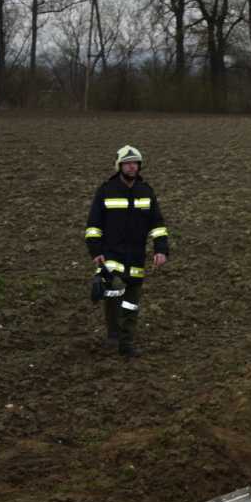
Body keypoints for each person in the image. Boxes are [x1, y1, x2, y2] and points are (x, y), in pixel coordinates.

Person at [84, 144, 172, 358]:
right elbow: (93, 225)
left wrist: (161, 249)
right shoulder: (106, 190)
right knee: (114, 289)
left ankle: (127, 342)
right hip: (111, 255)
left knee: (132, 302)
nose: (132, 167)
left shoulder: (146, 191)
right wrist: (96, 251)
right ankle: (113, 334)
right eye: (128, 163)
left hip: (136, 257)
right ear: (119, 166)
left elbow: (157, 224)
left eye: (135, 163)